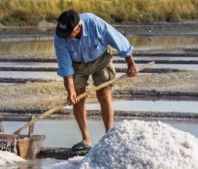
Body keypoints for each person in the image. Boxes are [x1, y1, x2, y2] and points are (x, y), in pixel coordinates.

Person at [54, 10, 138, 152]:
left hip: (101, 59)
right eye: (63, 34)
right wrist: (71, 91)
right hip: (77, 65)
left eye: (69, 34)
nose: (66, 38)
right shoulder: (60, 38)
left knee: (104, 94)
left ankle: (109, 135)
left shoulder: (94, 23)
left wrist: (130, 62)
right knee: (78, 98)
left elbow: (117, 39)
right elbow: (65, 67)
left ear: (78, 27)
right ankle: (86, 139)